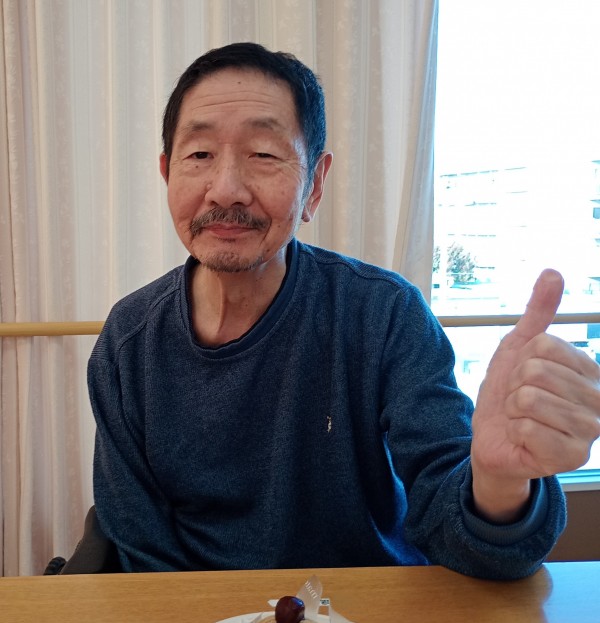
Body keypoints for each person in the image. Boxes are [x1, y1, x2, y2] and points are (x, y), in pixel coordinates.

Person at [88, 42, 600, 579]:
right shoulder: (129, 341)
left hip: (369, 620)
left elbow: (458, 529)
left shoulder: (384, 315)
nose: (227, 189)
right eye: (199, 155)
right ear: (167, 173)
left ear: (315, 184)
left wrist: (496, 481)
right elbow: (142, 551)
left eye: (263, 154)